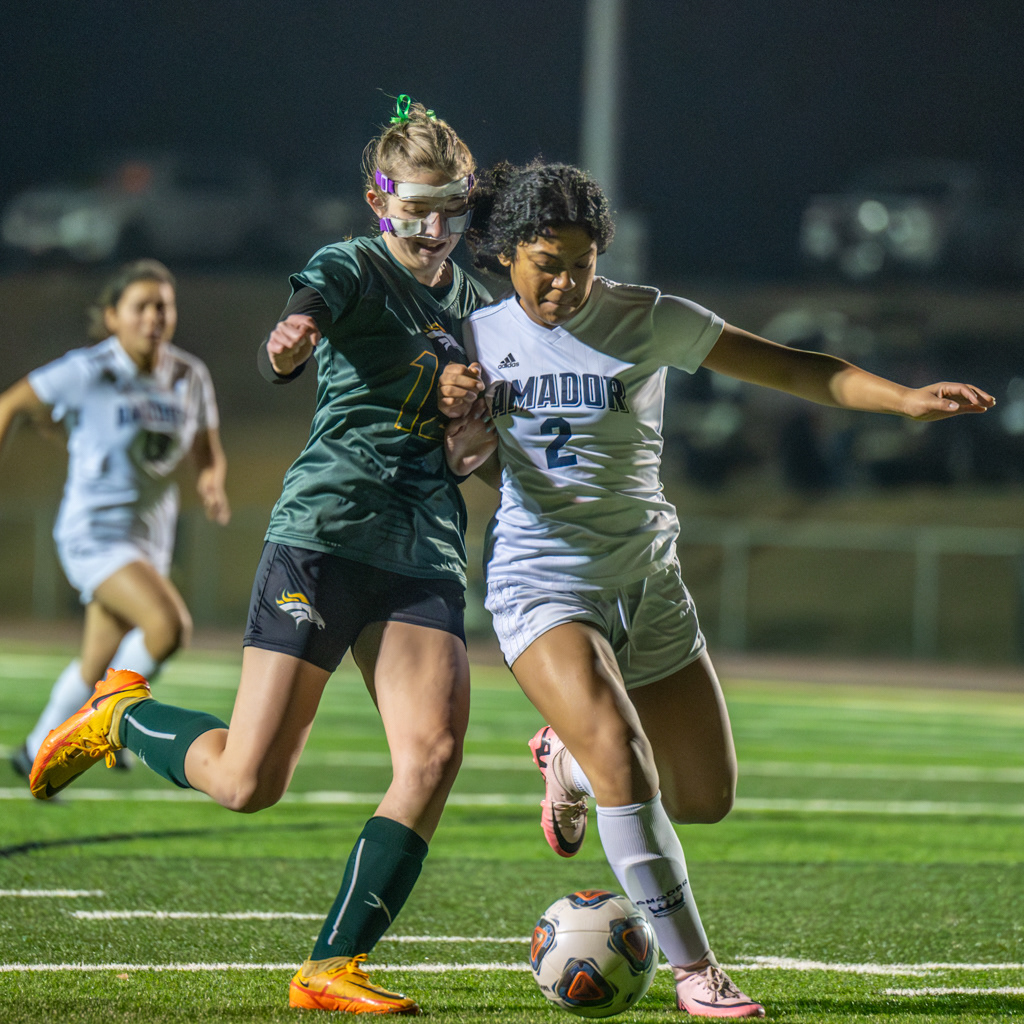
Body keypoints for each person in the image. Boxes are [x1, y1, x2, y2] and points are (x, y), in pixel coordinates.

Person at [439, 161, 995, 1019]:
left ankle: (564, 760)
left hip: (649, 582)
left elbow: (798, 369)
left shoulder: (647, 317)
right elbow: (458, 462)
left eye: (581, 263)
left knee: (703, 796)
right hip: (541, 580)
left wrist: (902, 401)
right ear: (507, 255)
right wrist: (462, 433)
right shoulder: (472, 339)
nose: (565, 282)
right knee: (628, 762)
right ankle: (697, 970)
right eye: (547, 262)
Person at [28, 97, 492, 1016]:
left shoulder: (477, 304)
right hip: (323, 536)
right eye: (416, 212)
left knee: (433, 754)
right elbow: (300, 326)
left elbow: (471, 459)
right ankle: (122, 716)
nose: (435, 230)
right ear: (379, 202)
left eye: (451, 211)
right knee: (247, 783)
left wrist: (469, 418)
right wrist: (292, 338)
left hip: (424, 546)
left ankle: (333, 965)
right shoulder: (352, 265)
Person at [0, 259, 230, 780]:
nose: (154, 317)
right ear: (112, 317)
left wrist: (210, 480)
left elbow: (206, 449)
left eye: (163, 306)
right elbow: (10, 404)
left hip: (150, 540)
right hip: (93, 535)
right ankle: (111, 721)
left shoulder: (189, 375)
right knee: (167, 627)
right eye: (141, 306)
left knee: (96, 663)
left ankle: (36, 749)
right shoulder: (88, 370)